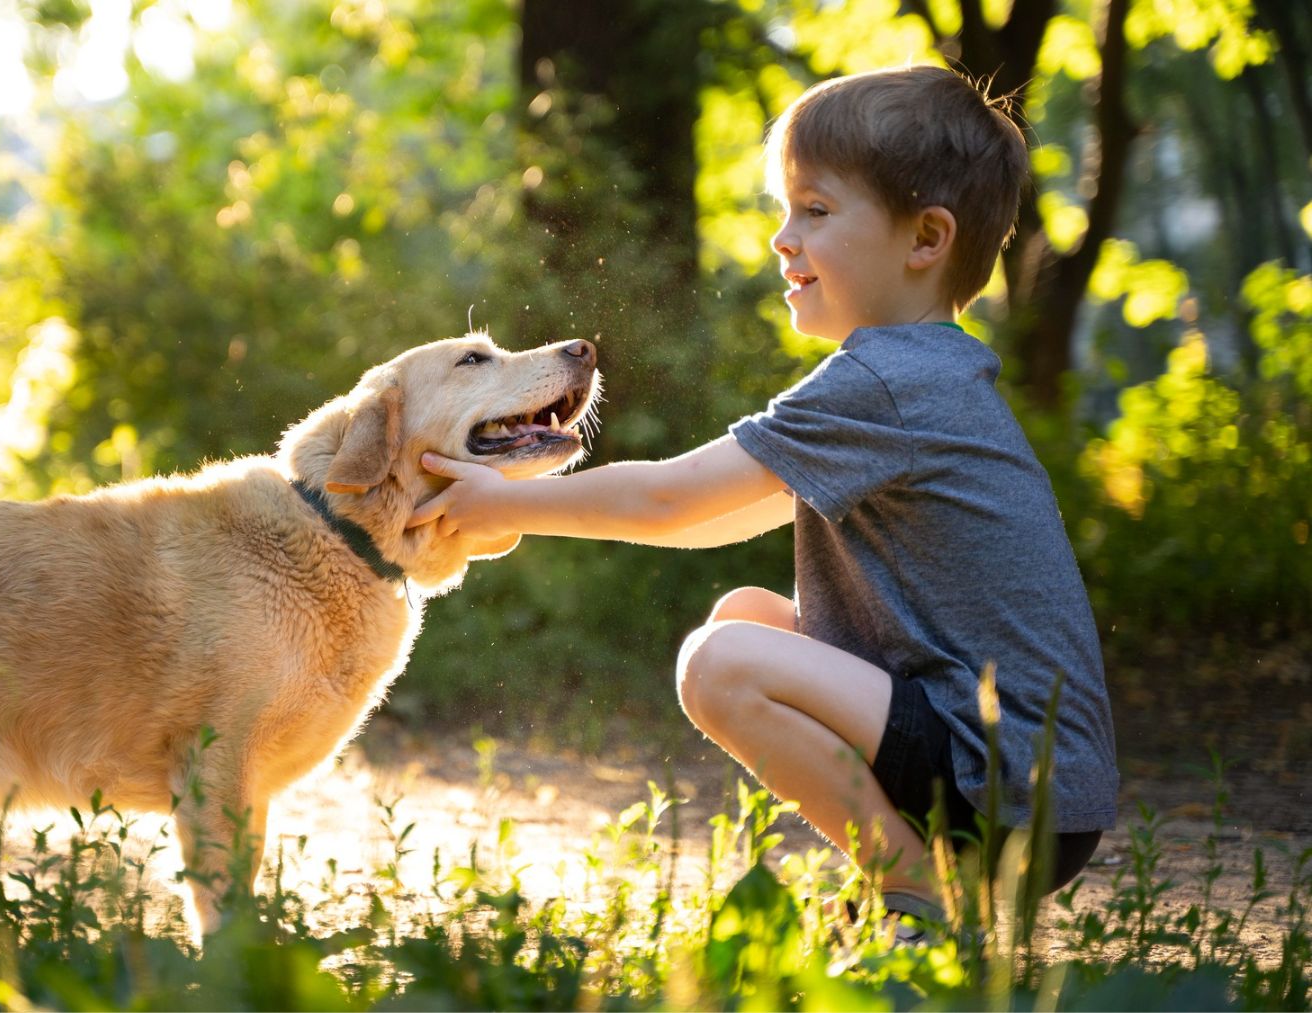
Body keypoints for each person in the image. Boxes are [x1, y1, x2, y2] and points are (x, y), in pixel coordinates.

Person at [406, 65, 1117, 935]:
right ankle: (915, 880)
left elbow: (672, 498)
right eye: (785, 210)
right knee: (744, 614)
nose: (784, 238)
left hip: (1005, 788)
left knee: (720, 663)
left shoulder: (886, 382)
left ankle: (919, 894)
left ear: (925, 238)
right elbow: (715, 517)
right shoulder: (925, 374)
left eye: (816, 211)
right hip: (1026, 782)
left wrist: (505, 504)